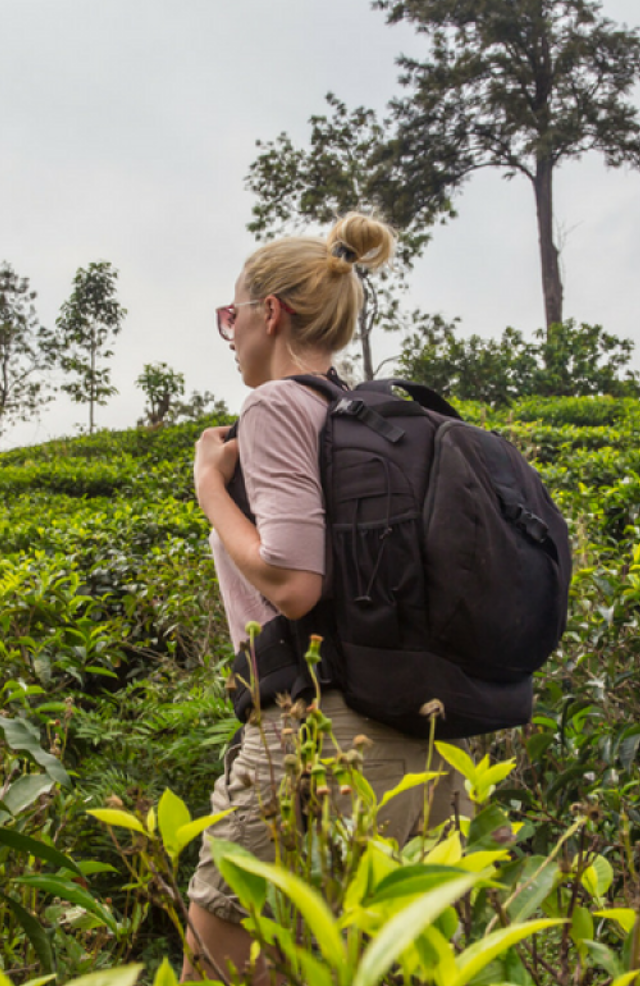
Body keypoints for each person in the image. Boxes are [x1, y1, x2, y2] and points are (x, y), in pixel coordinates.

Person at [182, 214, 469, 983]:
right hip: (418, 737)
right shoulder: (354, 415)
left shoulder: (276, 406)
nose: (231, 333)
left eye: (230, 315)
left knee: (221, 944)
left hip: (321, 727)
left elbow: (294, 580)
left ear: (267, 313)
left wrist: (209, 484)